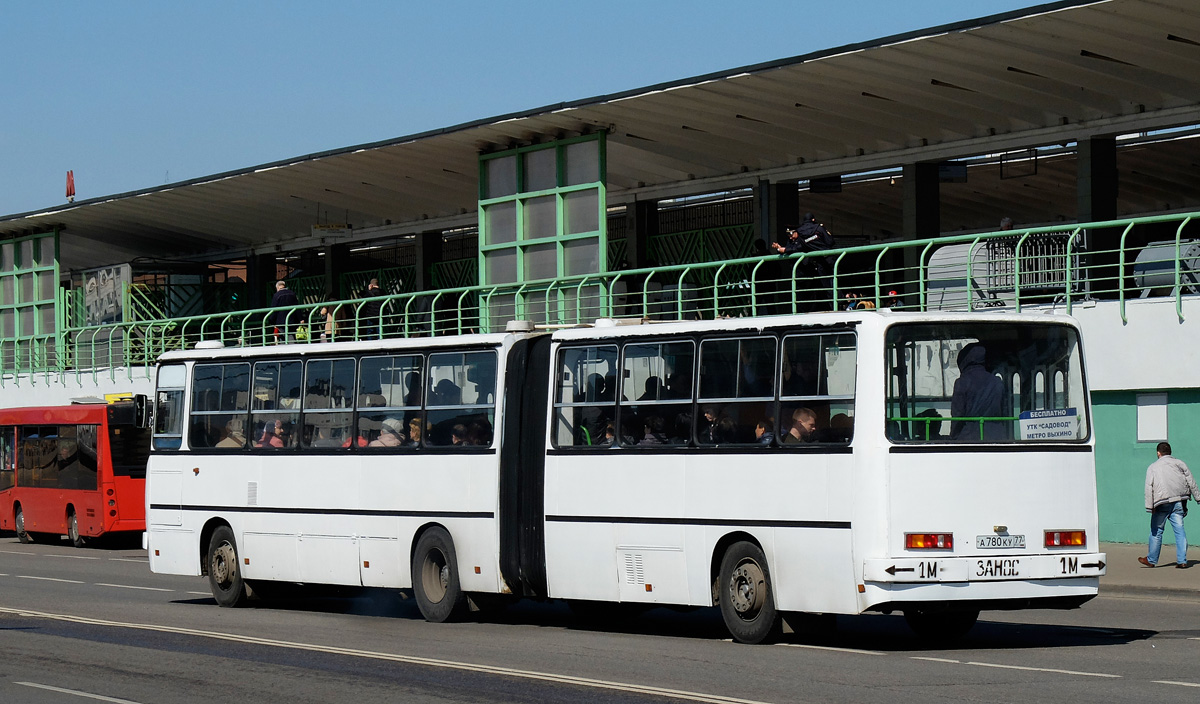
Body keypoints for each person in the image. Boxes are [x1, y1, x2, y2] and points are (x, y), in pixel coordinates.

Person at [1139, 442, 1200, 568]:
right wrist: (1198, 498)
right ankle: (1182, 561)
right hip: (1178, 501)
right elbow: (1191, 481)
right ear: (1170, 452)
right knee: (1179, 530)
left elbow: (1148, 487)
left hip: (1162, 502)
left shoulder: (1153, 467)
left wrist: (1149, 507)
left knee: (1157, 530)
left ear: (1158, 453)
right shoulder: (1180, 463)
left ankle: (1151, 560)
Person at [772, 213, 836, 310]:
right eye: (787, 234)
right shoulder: (797, 238)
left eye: (791, 234)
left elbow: (797, 248)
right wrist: (780, 248)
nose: (790, 237)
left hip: (809, 271)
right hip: (800, 273)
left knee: (823, 289)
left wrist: (784, 249)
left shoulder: (802, 237)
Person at [949, 343, 1005, 442]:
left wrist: (953, 436)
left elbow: (958, 414)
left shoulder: (962, 382)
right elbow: (1004, 410)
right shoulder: (997, 381)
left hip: (969, 437)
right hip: (996, 437)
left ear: (964, 361)